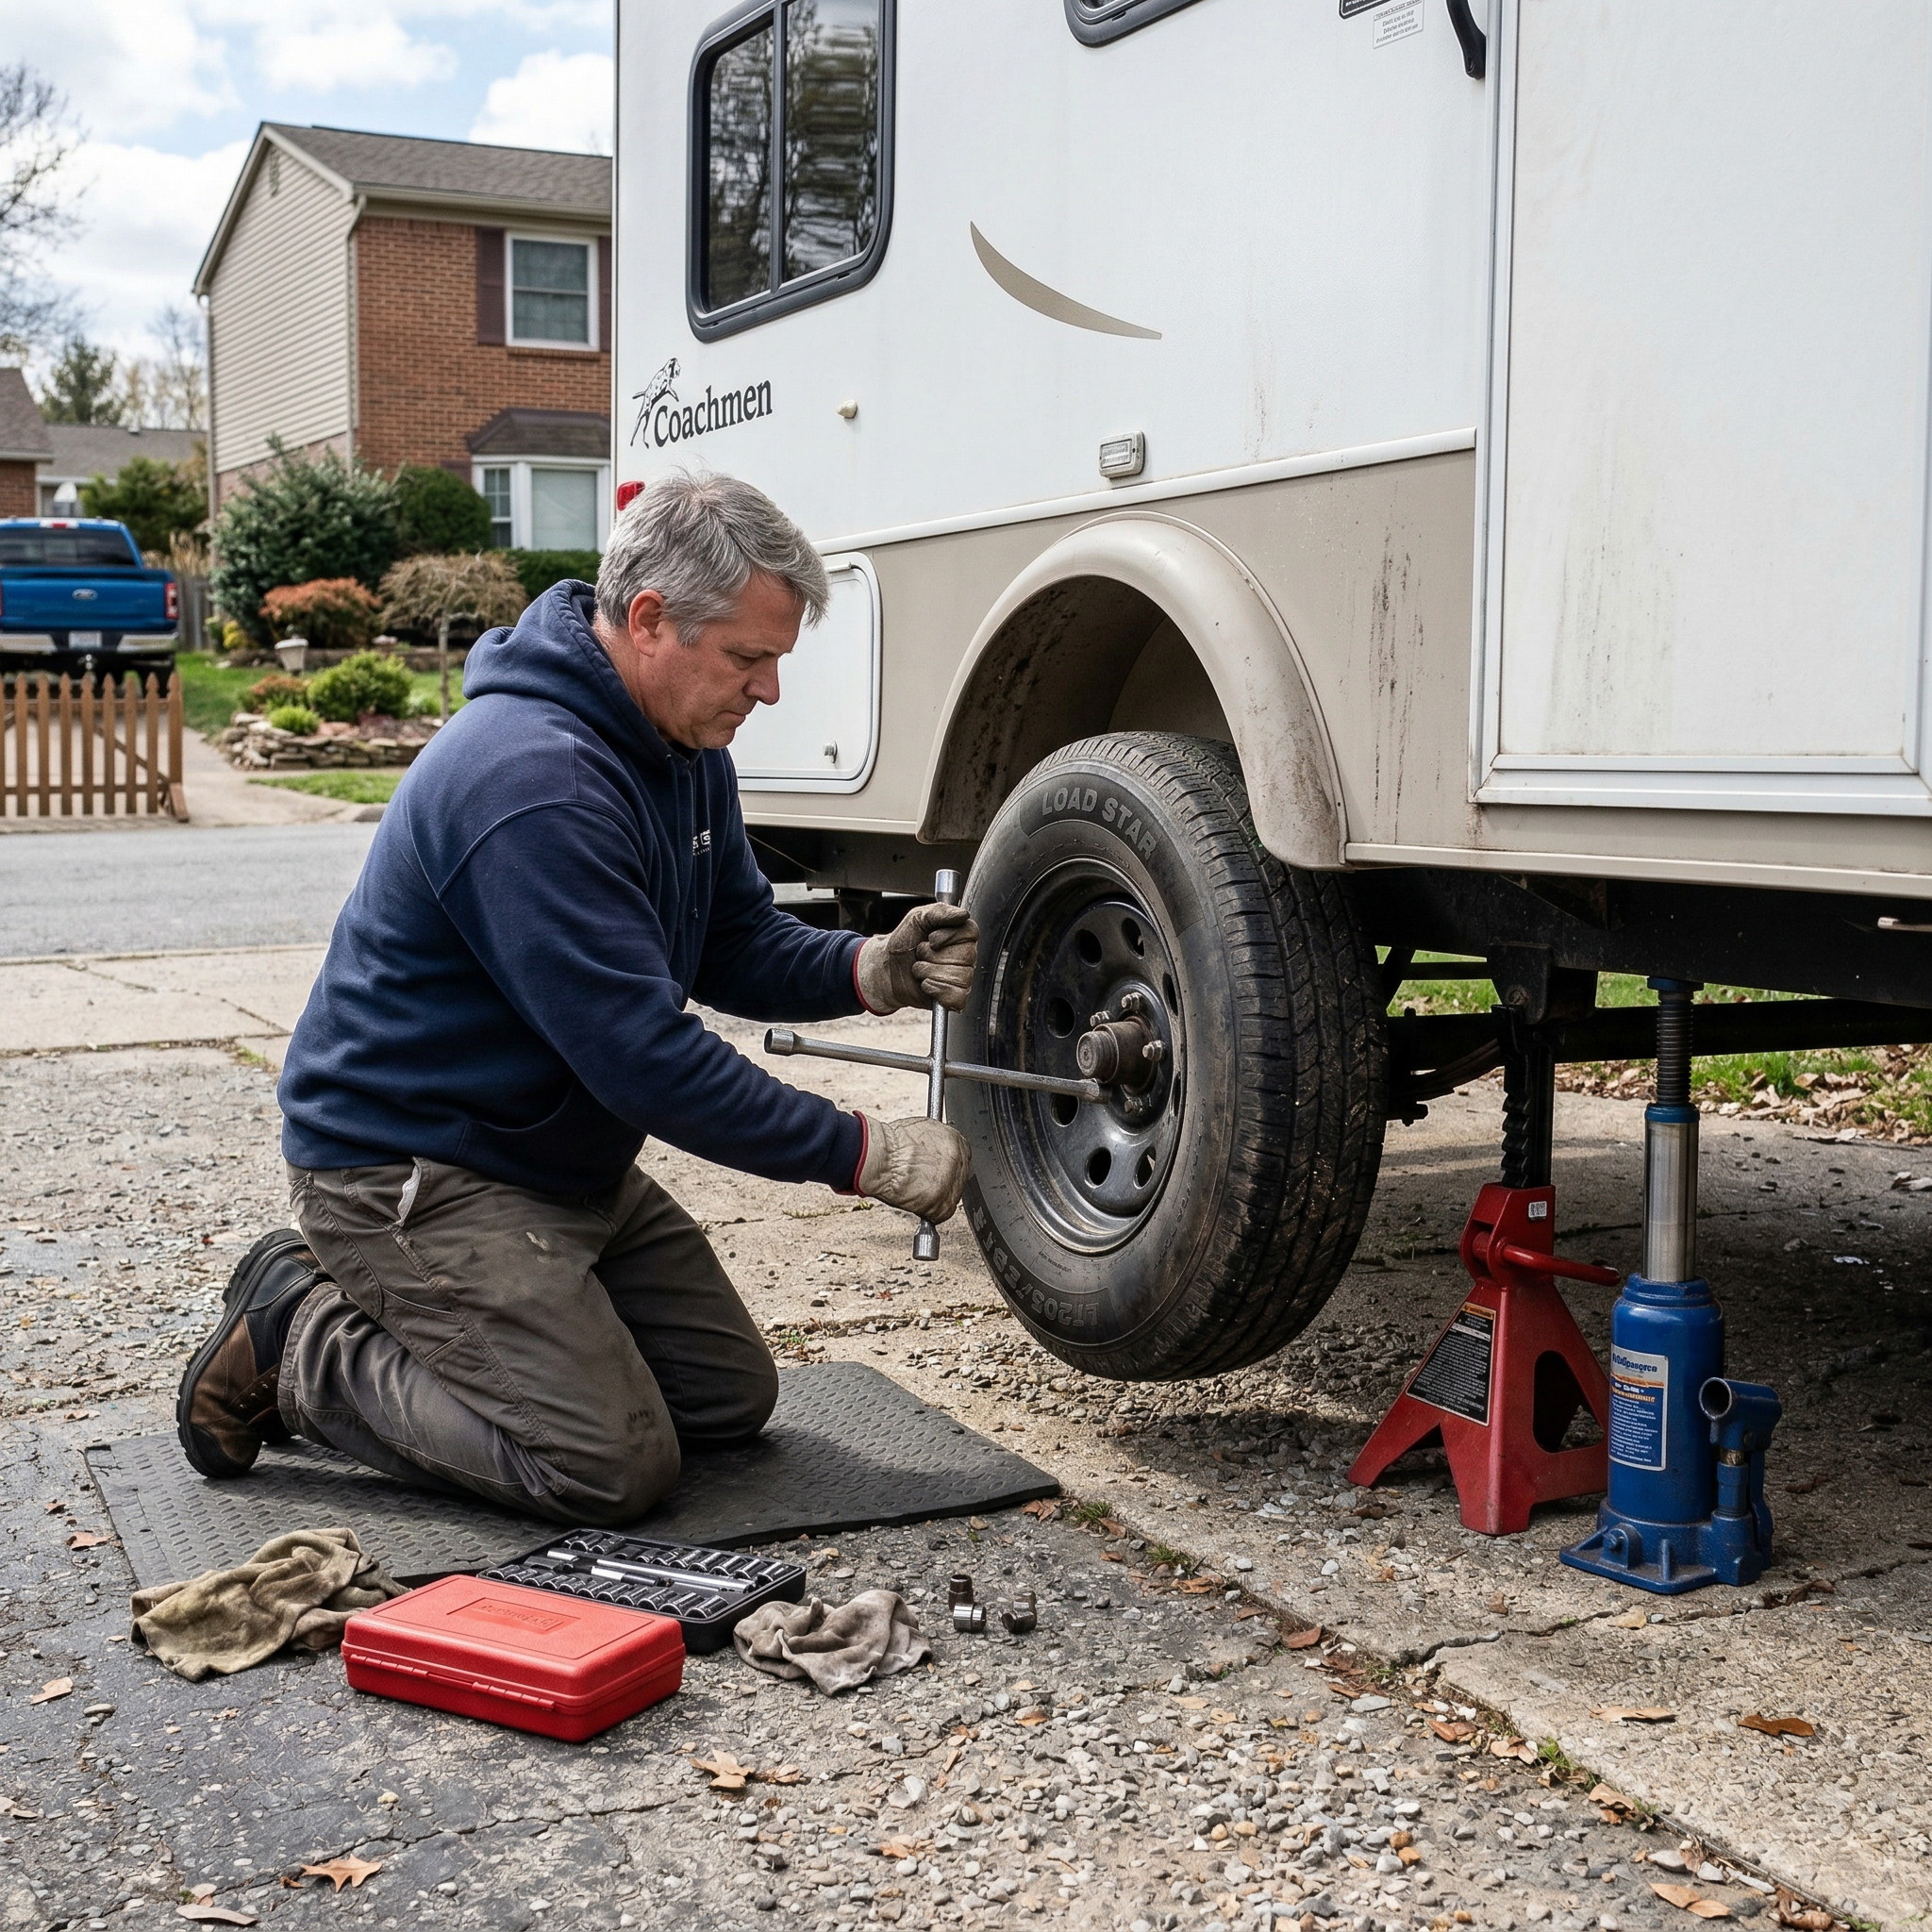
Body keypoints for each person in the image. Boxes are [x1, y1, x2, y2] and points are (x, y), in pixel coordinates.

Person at [175, 473, 977, 1524]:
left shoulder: (679, 748)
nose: (769, 688)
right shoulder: (530, 780)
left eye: (775, 658)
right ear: (649, 620)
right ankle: (298, 1336)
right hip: (411, 1169)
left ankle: (465, 1319)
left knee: (727, 1400)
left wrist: (872, 967)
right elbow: (643, 1056)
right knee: (601, 1467)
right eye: (748, 657)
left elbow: (726, 936)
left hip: (552, 1165)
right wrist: (864, 1152)